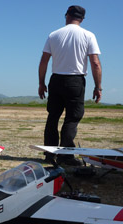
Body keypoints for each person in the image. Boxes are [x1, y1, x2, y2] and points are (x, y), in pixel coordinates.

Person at [38, 5, 102, 166]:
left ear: (67, 15)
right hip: (75, 81)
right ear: (81, 19)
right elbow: (95, 63)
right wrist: (98, 86)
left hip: (56, 79)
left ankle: (49, 153)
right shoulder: (88, 35)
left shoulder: (54, 35)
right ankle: (65, 156)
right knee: (72, 117)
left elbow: (44, 60)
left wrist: (41, 83)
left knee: (53, 116)